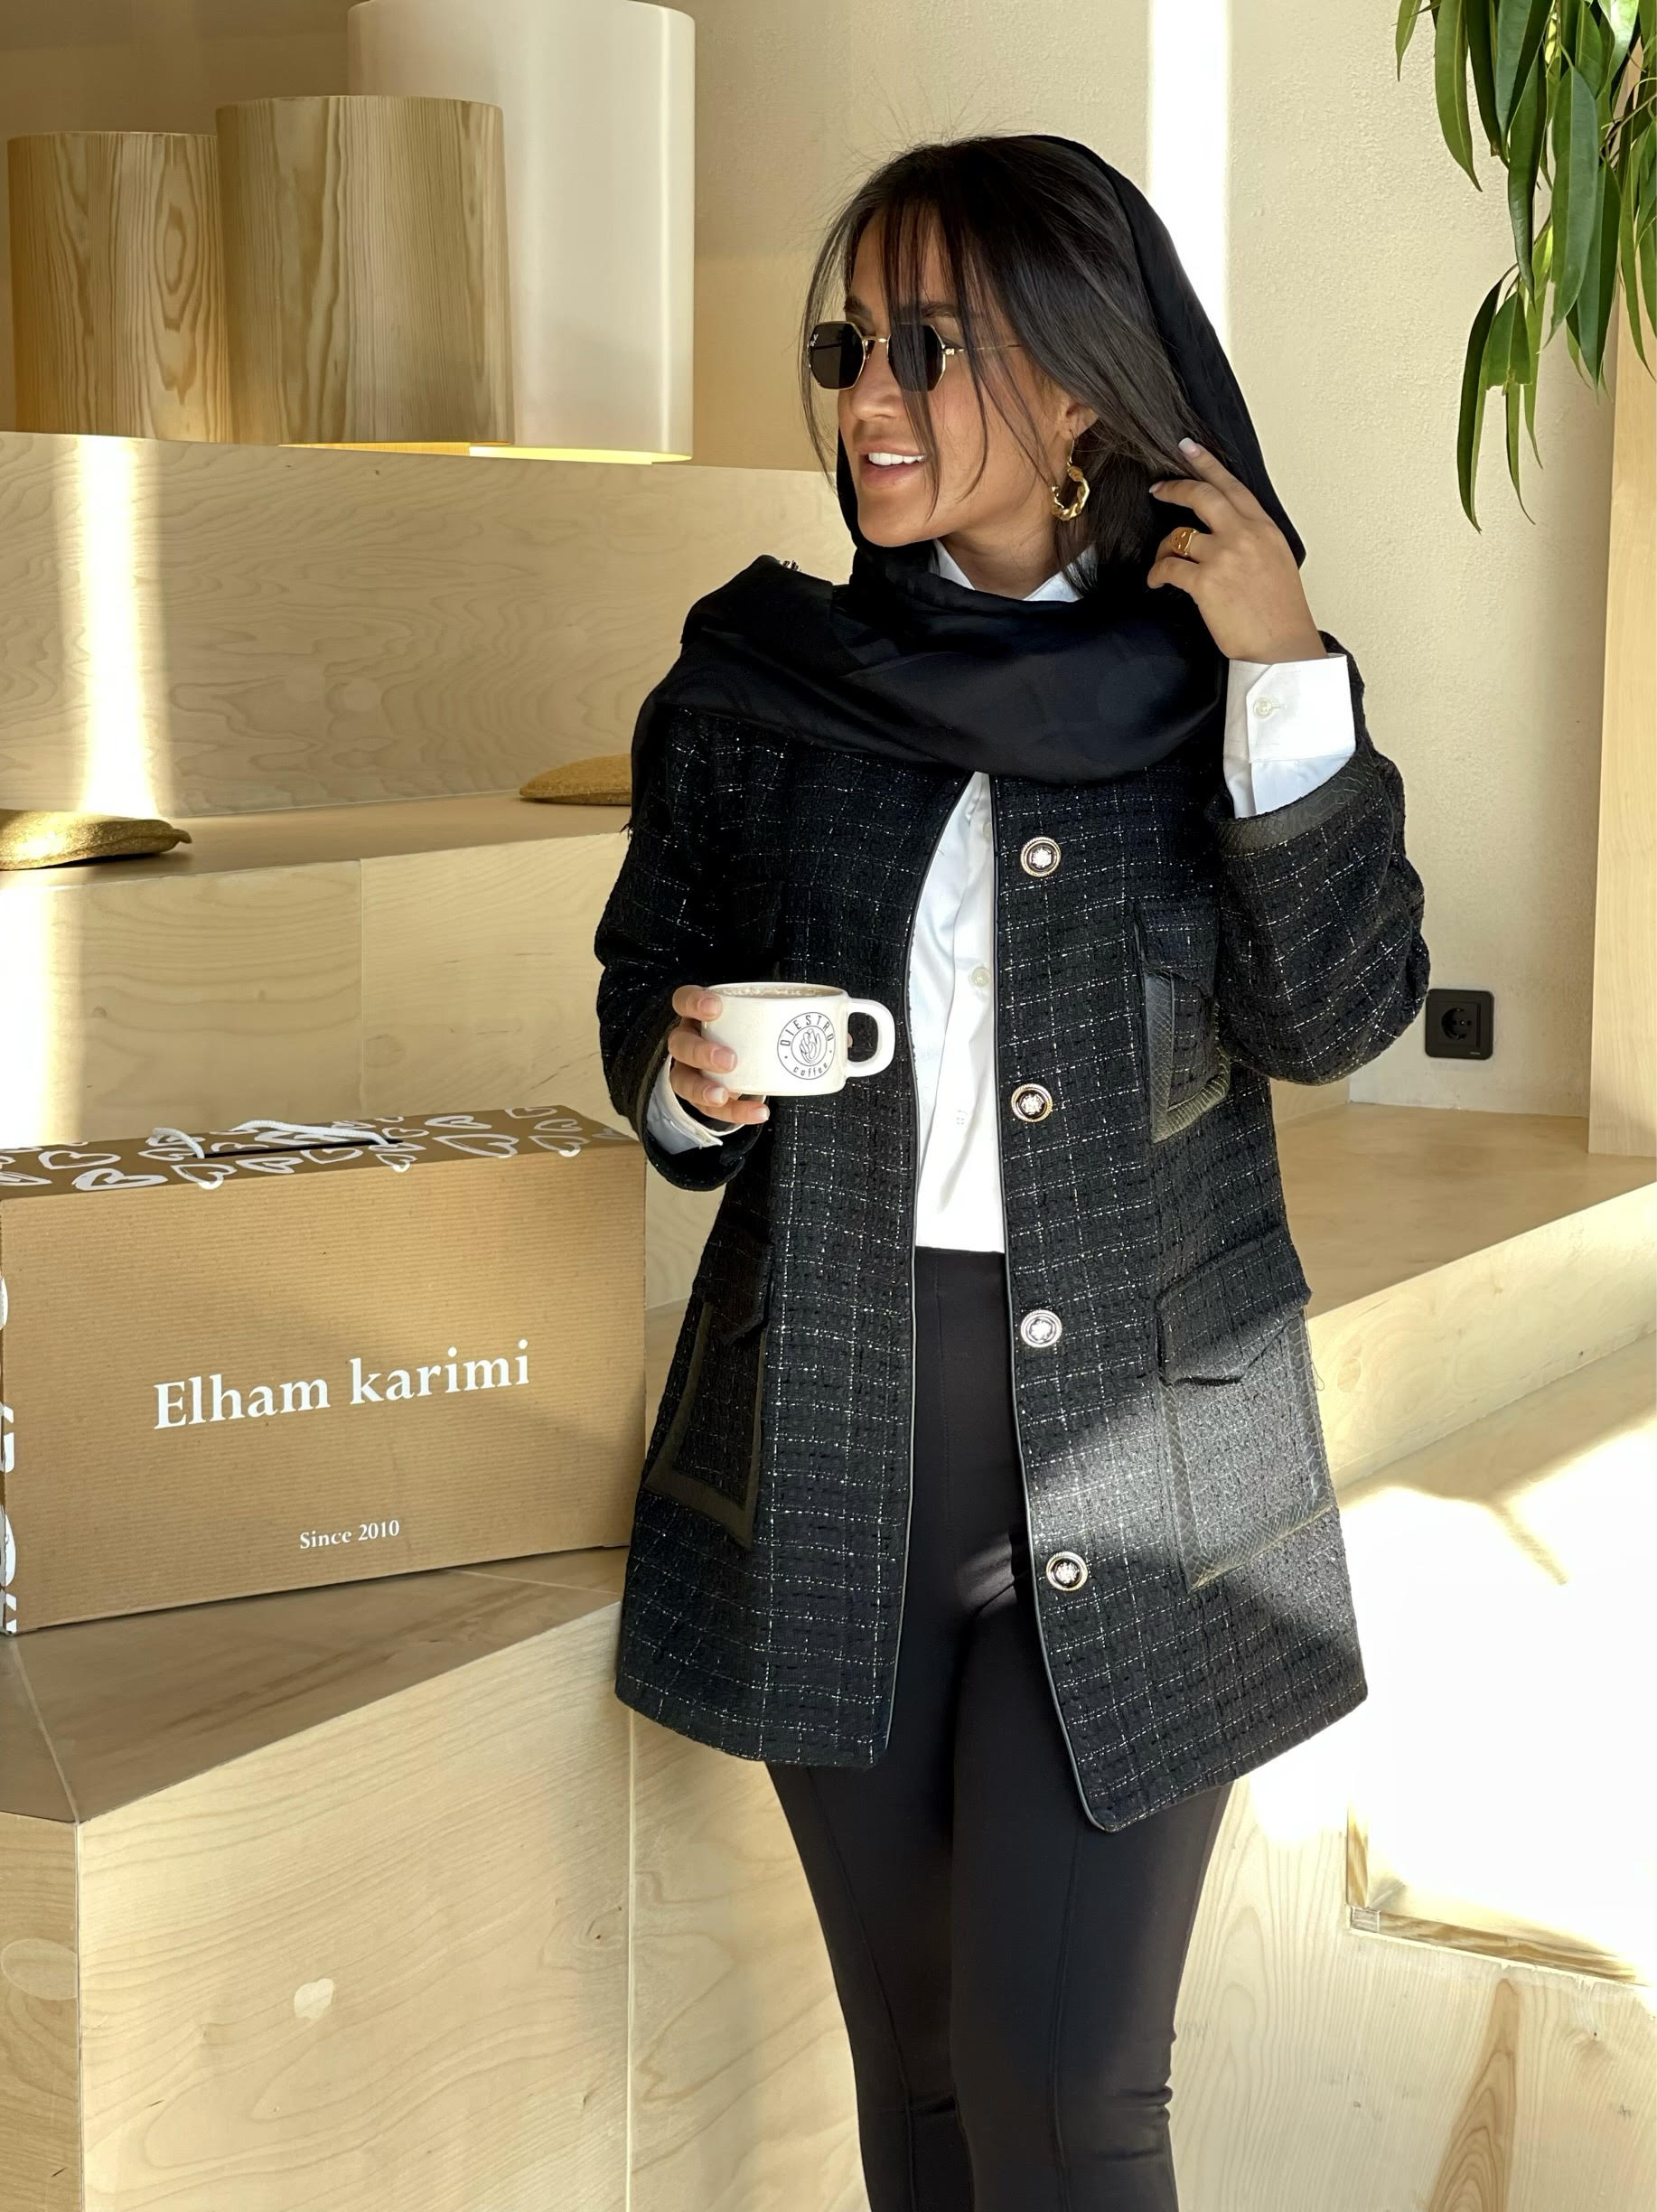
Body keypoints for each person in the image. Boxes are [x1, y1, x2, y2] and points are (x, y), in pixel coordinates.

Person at [594, 133, 1429, 2212]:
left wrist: (1283, 670)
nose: (867, 398)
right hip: (828, 1448)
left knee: (1064, 2092)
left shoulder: (1221, 686)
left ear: (1072, 391)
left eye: (929, 349)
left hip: (1146, 1463)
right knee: (922, 2089)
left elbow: (1331, 1018)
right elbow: (642, 988)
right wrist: (682, 1083)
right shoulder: (758, 683)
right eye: (847, 349)